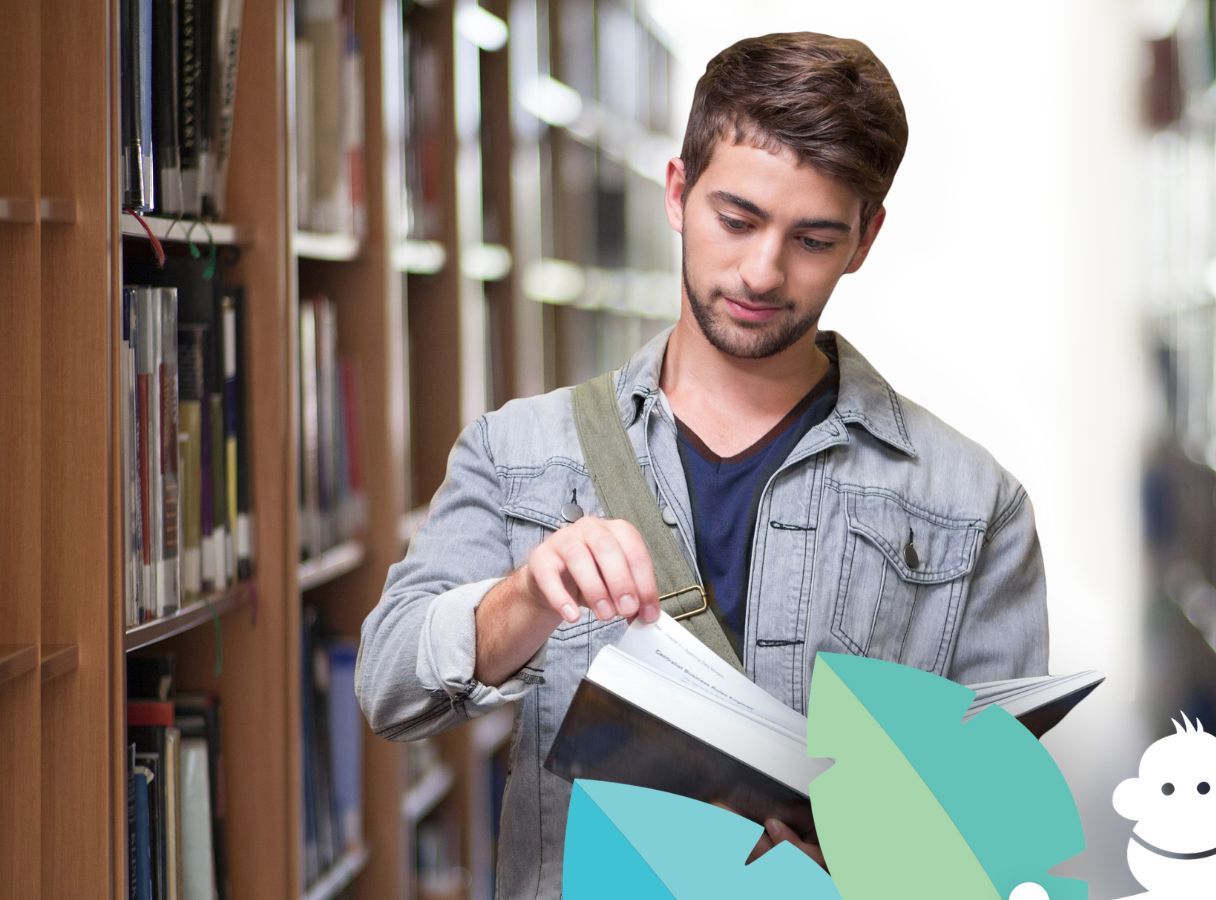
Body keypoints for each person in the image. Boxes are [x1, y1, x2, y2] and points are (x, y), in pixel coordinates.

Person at [357, 31, 1049, 899]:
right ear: (678, 192)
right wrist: (524, 598)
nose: (762, 271)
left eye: (814, 239)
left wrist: (878, 854)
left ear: (865, 239)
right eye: (738, 219)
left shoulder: (973, 503)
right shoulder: (521, 452)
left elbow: (1003, 834)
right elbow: (387, 687)